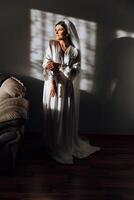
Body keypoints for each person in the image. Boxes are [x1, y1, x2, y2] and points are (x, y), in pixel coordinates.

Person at [42, 18, 100, 164]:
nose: (56, 32)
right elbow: (45, 62)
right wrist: (49, 67)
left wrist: (60, 66)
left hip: (66, 87)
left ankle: (63, 145)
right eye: (55, 30)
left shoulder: (74, 51)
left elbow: (74, 73)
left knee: (64, 115)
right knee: (53, 114)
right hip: (51, 85)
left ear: (67, 32)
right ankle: (52, 145)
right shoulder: (51, 44)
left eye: (59, 29)